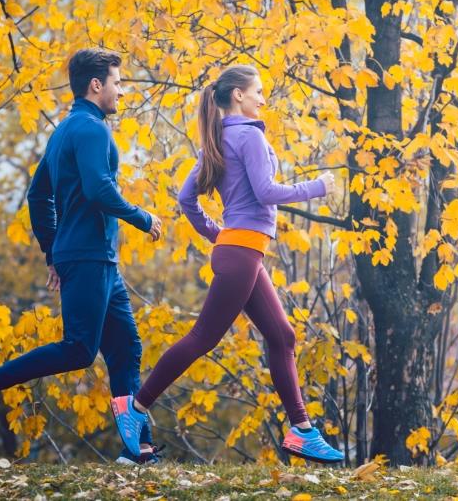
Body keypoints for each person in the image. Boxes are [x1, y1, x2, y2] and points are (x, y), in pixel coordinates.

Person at [110, 64, 344, 464]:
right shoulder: (248, 135)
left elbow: (187, 198)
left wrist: (217, 233)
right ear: (238, 94)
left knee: (283, 336)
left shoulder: (217, 140)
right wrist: (318, 186)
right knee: (203, 337)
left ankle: (302, 431)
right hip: (241, 253)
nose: (263, 99)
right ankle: (136, 407)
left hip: (240, 250)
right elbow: (266, 191)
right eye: (259, 91)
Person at [0, 48, 164, 465]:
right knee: (78, 350)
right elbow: (98, 190)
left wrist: (53, 250)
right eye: (118, 83)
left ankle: (135, 449)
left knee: (125, 347)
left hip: (93, 257)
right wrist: (143, 217)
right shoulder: (92, 130)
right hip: (88, 255)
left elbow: (38, 195)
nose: (122, 92)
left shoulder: (64, 131)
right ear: (96, 85)